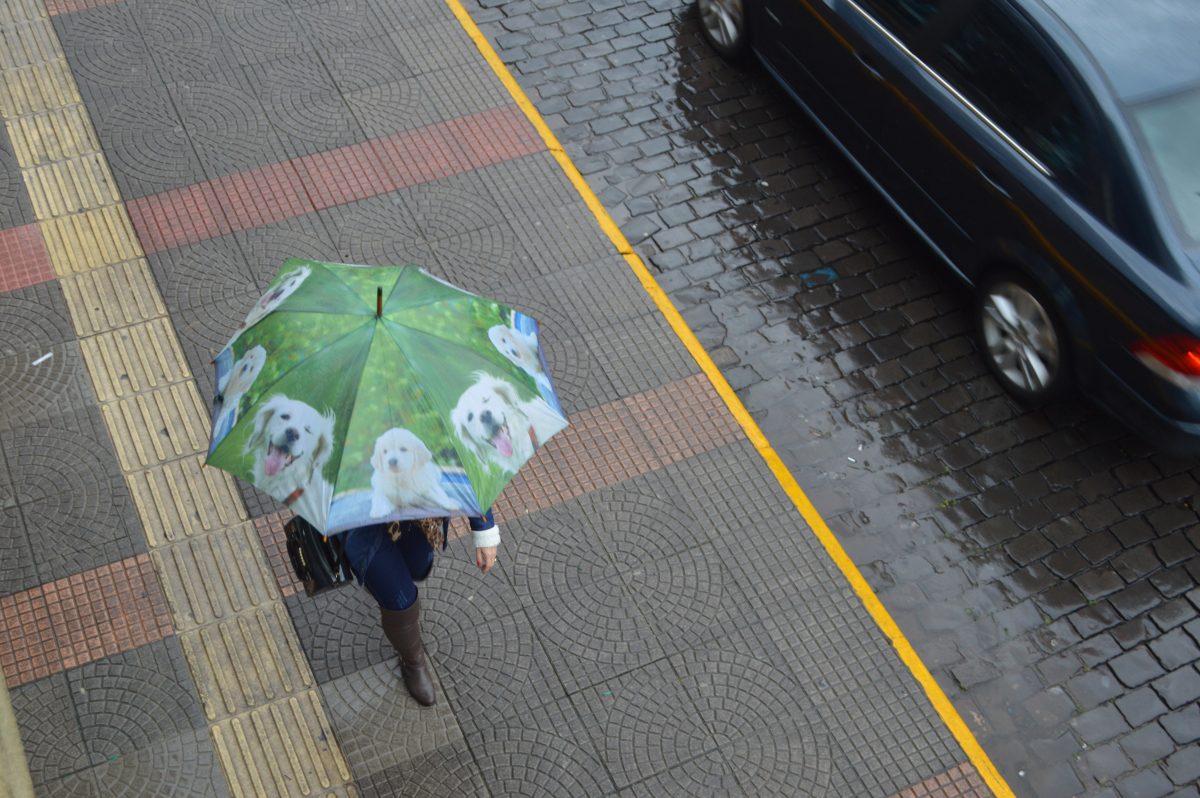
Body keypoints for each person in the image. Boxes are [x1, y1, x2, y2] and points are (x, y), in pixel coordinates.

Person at [341, 509, 499, 706]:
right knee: (401, 600)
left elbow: (470, 477)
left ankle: (383, 580)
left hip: (416, 508)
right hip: (359, 520)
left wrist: (483, 526)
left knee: (419, 566)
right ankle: (413, 661)